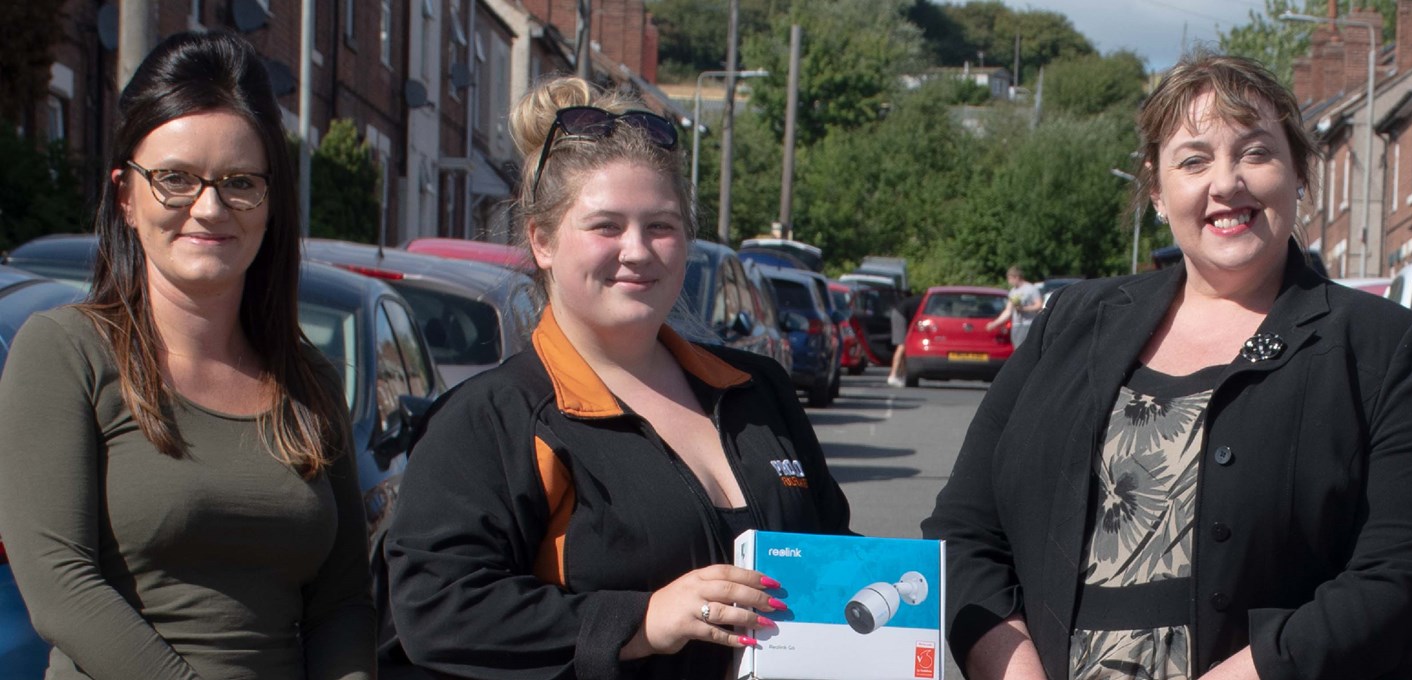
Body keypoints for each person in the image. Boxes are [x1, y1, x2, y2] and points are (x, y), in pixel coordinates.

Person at [921, 52, 1412, 680]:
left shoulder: (1380, 347)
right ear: (1157, 189)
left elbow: (1406, 570)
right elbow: (963, 532)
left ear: (1299, 175)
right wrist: (1013, 671)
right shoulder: (1072, 323)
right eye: (1194, 160)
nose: (1226, 183)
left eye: (1256, 153)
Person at [378, 76, 853, 679]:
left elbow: (832, 553)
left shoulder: (757, 390)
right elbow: (437, 611)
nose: (638, 250)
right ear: (542, 240)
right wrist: (642, 621)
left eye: (661, 226)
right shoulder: (492, 418)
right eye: (606, 226)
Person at [0, 31, 374, 679]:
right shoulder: (64, 353)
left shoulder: (310, 380)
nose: (209, 207)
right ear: (125, 194)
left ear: (270, 200)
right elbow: (61, 587)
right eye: (174, 179)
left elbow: (342, 606)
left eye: (239, 182)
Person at [985, 266, 1044, 347]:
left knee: (1024, 349)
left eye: (1010, 279)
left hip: (1028, 324)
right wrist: (995, 323)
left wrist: (1024, 309)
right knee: (1016, 349)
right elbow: (1008, 311)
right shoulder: (1013, 291)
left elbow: (1039, 305)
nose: (1009, 282)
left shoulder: (1031, 289)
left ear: (1016, 277)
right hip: (1016, 325)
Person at [886, 288, 923, 387]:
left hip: (900, 313)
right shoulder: (924, 302)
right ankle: (893, 376)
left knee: (905, 347)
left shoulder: (919, 300)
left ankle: (900, 375)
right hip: (900, 315)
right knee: (901, 345)